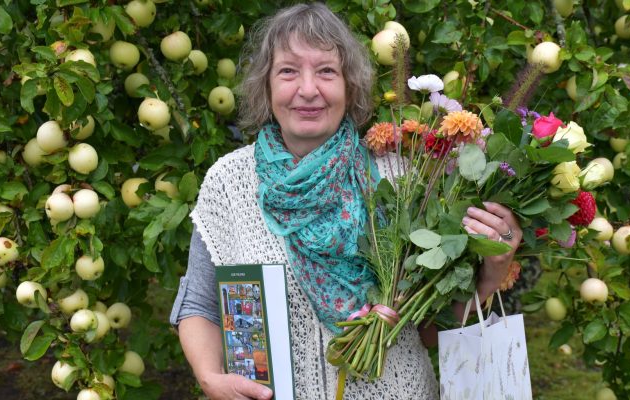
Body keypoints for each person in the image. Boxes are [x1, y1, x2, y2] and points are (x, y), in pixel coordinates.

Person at [169, 3, 522, 399]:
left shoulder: (401, 178)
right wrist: (209, 377)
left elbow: (430, 327)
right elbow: (200, 302)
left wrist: (491, 273)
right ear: (265, 86)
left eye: (326, 71)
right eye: (288, 71)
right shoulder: (229, 183)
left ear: (349, 86)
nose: (307, 89)